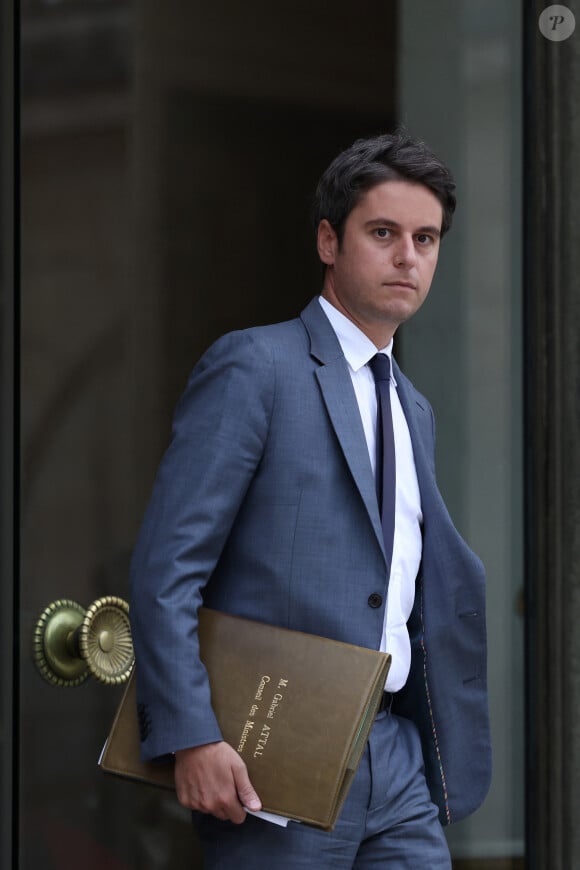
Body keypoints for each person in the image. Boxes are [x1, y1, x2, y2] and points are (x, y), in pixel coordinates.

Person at [129, 130, 491, 868]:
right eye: (383, 233)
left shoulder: (413, 408)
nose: (407, 256)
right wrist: (192, 733)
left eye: (426, 238)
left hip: (396, 753)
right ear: (329, 241)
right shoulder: (254, 367)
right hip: (274, 755)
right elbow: (167, 568)